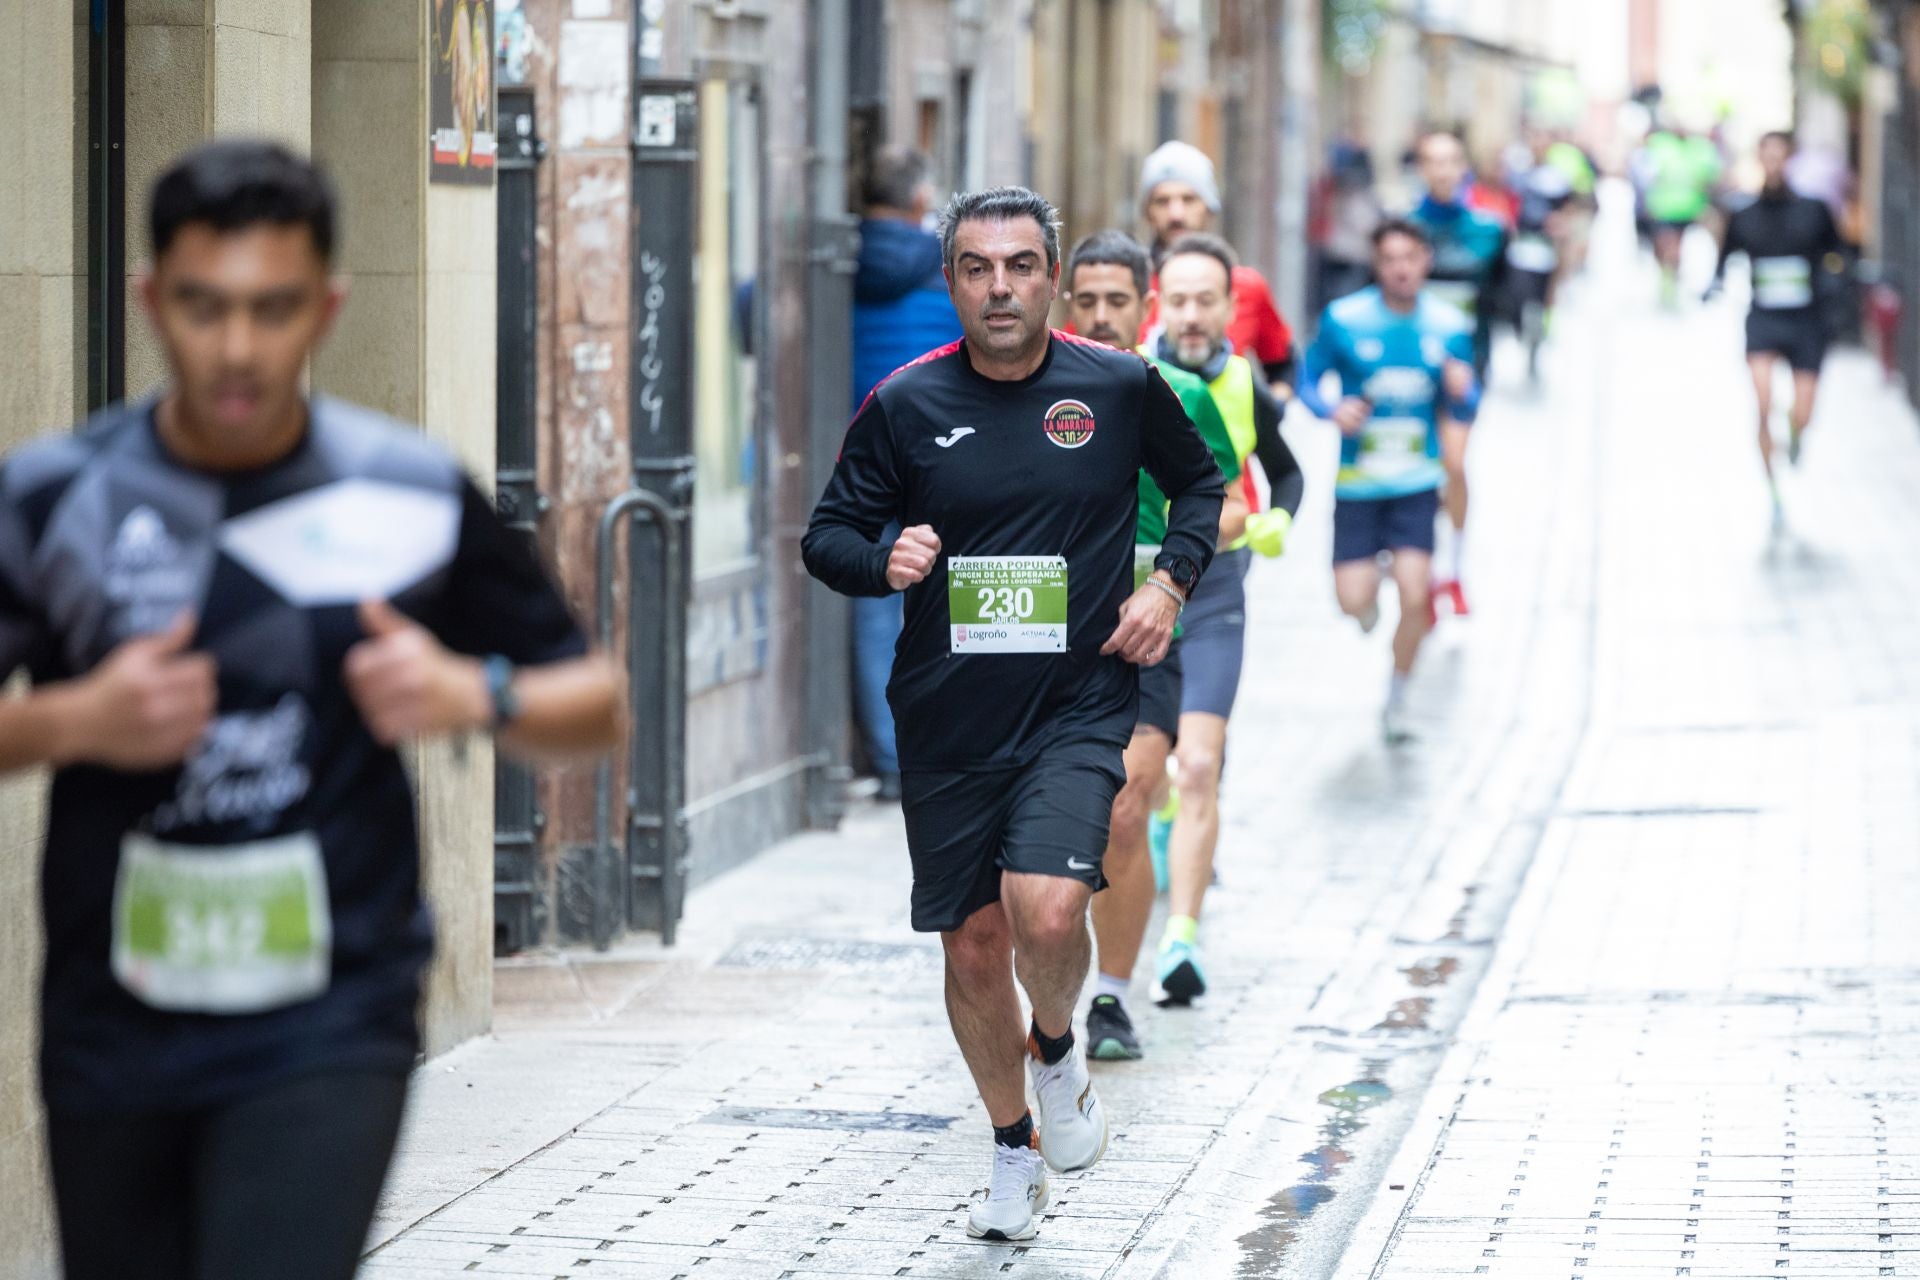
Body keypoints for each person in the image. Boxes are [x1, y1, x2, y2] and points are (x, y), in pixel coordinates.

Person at [0, 140, 622, 1280]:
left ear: (327, 309)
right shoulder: (55, 496)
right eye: (203, 306)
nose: (237, 347)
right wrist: (74, 720)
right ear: (150, 300)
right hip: (114, 1016)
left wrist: (468, 690)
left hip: (332, 1011)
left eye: (273, 308)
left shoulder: (406, 490)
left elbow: (593, 699)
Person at [802, 187, 1225, 1242]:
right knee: (974, 944)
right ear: (951, 280)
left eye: (1021, 265)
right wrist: (879, 557)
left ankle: (1057, 1044)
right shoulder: (903, 403)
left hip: (1077, 703)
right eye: (979, 268)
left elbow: (1203, 487)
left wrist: (1167, 585)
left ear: (1050, 274)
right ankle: (1010, 1145)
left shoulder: (1120, 386)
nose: (1001, 287)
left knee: (1043, 907)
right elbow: (828, 534)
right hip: (947, 720)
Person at [1063, 229, 1249, 1060]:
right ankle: (1048, 993)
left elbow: (1213, 498)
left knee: (1129, 802)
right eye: (1088, 300)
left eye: (1118, 302)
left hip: (1145, 632)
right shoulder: (1022, 391)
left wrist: (1170, 582)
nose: (1101, 318)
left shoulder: (1178, 393)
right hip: (1038, 633)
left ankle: (1110, 997)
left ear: (1146, 309)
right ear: (1069, 305)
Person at [1144, 233, 1305, 1006]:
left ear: (1230, 308)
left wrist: (1273, 521)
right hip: (1133, 593)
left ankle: (1181, 938)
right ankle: (1158, 834)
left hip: (1214, 589)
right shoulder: (1127, 380)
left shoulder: (1243, 386)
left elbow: (1290, 474)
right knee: (1140, 781)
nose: (1192, 313)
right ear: (1158, 305)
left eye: (1207, 299)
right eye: (1178, 299)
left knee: (1201, 765)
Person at [1297, 219, 1479, 744]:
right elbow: (1308, 380)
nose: (1401, 268)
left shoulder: (1449, 324)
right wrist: (1332, 409)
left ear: (1425, 261)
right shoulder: (1344, 319)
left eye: (1411, 257)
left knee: (1417, 595)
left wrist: (1462, 390)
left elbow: (1466, 400)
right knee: (1354, 602)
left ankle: (1397, 698)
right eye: (1390, 258)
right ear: (1377, 265)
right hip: (1358, 482)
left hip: (1416, 482)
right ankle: (1367, 589)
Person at [850, 147, 964, 800]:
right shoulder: (946, 270)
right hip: (935, 457)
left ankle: (894, 764)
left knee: (874, 610)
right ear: (922, 203)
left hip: (856, 459)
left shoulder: (836, 258)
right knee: (948, 603)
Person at [1707, 130, 1845, 526]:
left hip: (1805, 321)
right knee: (1762, 401)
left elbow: (1836, 253)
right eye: (1766, 156)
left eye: (1780, 156)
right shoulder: (1743, 212)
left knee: (1802, 409)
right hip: (1764, 319)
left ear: (1790, 160)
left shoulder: (1814, 210)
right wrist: (1712, 285)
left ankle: (1796, 434)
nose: (1773, 164)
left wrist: (1834, 278)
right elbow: (1724, 257)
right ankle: (1772, 486)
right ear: (1758, 159)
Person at [1404, 129, 1505, 620]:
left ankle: (1454, 568)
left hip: (1464, 368)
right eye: (1432, 161)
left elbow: (1501, 297)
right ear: (1421, 167)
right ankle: (1415, 564)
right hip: (1404, 370)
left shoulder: (1489, 229)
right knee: (1417, 469)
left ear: (1464, 166)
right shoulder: (1404, 230)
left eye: (1451, 161)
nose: (1442, 171)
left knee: (1455, 464)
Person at [1136, 140, 1296, 396]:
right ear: (1148, 212)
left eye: (1188, 199)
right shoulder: (1127, 289)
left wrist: (1271, 411)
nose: (1176, 213)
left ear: (1209, 207)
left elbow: (1283, 363)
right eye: (1162, 201)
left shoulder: (1247, 286)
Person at [1643, 122, 1723, 307]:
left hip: (1693, 209)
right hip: (1664, 209)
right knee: (1668, 250)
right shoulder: (1659, 145)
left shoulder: (1702, 147)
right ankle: (1668, 286)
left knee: (1684, 248)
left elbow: (1711, 178)